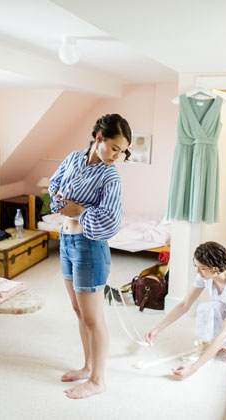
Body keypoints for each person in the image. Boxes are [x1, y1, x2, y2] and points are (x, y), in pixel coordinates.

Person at [48, 114, 132, 399]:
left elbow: (111, 218)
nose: (117, 156)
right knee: (78, 312)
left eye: (122, 151)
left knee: (94, 318)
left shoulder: (110, 176)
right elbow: (54, 186)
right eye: (115, 148)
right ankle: (87, 367)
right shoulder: (73, 158)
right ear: (99, 139)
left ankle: (98, 380)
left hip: (89, 246)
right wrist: (64, 204)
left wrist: (80, 210)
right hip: (66, 241)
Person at [146, 241, 226, 379]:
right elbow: (185, 305)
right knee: (210, 307)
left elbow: (224, 333)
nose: (198, 271)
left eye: (202, 268)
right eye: (197, 266)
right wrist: (157, 329)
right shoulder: (206, 276)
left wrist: (193, 368)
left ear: (215, 269)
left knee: (222, 319)